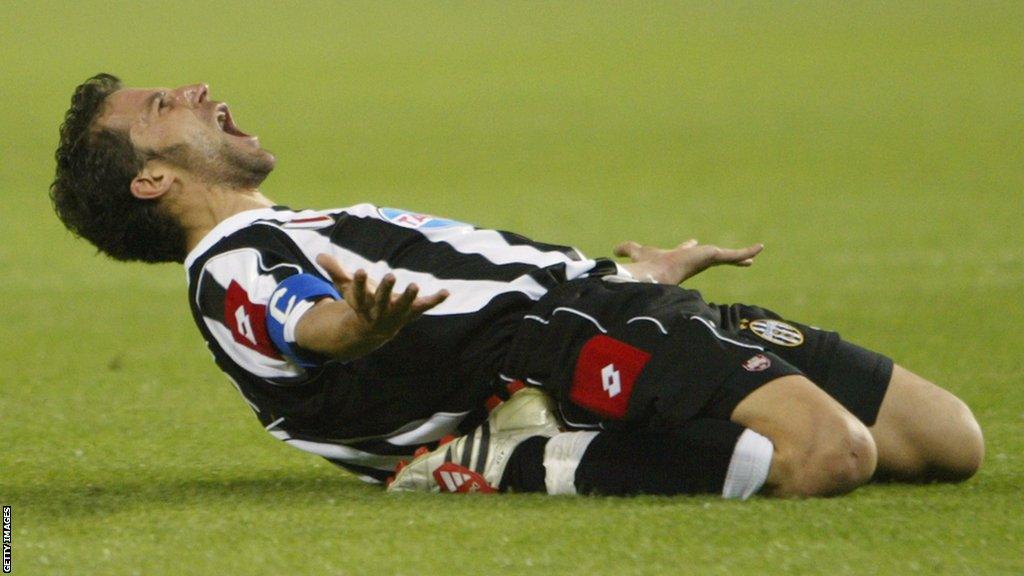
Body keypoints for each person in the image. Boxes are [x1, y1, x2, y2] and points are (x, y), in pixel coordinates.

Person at [50, 74, 983, 499]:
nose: (197, 87)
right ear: (152, 180)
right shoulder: (231, 263)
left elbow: (476, 277)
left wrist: (633, 273)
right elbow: (303, 320)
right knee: (830, 456)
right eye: (162, 106)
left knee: (950, 444)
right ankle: (506, 462)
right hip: (559, 340)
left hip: (616, 304)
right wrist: (351, 329)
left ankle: (546, 437)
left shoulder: (305, 225)